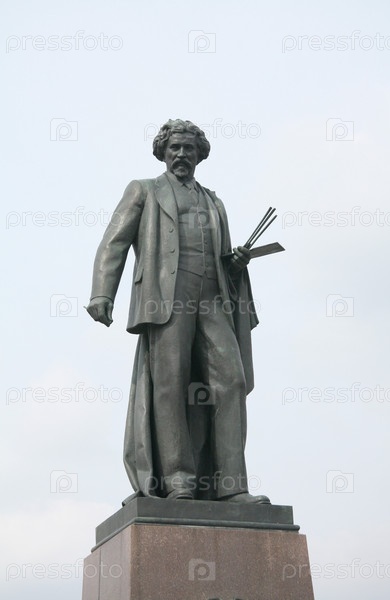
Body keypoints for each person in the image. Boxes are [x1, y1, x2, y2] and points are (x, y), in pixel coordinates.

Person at [87, 119, 270, 504]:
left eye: (189, 148)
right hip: (165, 298)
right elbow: (114, 242)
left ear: (200, 155)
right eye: (175, 148)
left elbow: (223, 259)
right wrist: (103, 293)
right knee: (171, 384)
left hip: (212, 298)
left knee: (232, 382)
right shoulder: (144, 190)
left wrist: (236, 263)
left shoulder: (214, 202)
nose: (182, 154)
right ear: (163, 152)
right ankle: (178, 480)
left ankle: (231, 486)